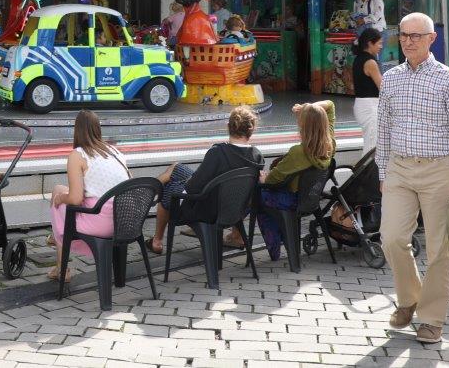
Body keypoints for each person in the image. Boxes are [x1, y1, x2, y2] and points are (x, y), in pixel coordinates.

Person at [377, 12, 449, 345]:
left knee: (439, 249)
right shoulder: (390, 78)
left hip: (440, 170)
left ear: (432, 39)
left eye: (416, 36)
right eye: (403, 35)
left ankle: (432, 318)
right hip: (399, 167)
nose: (408, 41)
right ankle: (409, 299)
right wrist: (382, 172)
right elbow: (383, 128)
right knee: (391, 238)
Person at [150, 105, 263, 253]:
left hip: (209, 211)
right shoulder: (257, 155)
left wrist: (183, 185)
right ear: (251, 130)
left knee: (169, 189)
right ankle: (236, 235)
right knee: (176, 168)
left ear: (228, 126)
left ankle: (157, 239)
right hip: (236, 208)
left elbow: (193, 187)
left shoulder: (218, 153)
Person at [49, 110, 130, 281]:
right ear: (98, 128)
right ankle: (55, 240)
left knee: (59, 203)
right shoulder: (114, 151)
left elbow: (75, 199)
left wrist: (59, 199)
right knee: (58, 188)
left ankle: (62, 267)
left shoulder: (78, 155)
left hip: (100, 224)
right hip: (124, 222)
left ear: (76, 130)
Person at [257, 100, 335, 259]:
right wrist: (308, 108)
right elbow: (331, 105)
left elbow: (275, 177)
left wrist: (264, 180)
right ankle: (284, 241)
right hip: (311, 200)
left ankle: (275, 248)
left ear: (303, 126)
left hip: (292, 200)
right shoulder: (330, 145)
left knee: (258, 197)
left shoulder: (298, 152)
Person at [352, 27, 383, 153]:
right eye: (379, 43)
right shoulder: (370, 62)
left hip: (362, 104)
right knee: (372, 147)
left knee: (371, 143)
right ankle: (368, 168)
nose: (381, 46)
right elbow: (382, 87)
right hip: (370, 106)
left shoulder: (358, 59)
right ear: (370, 43)